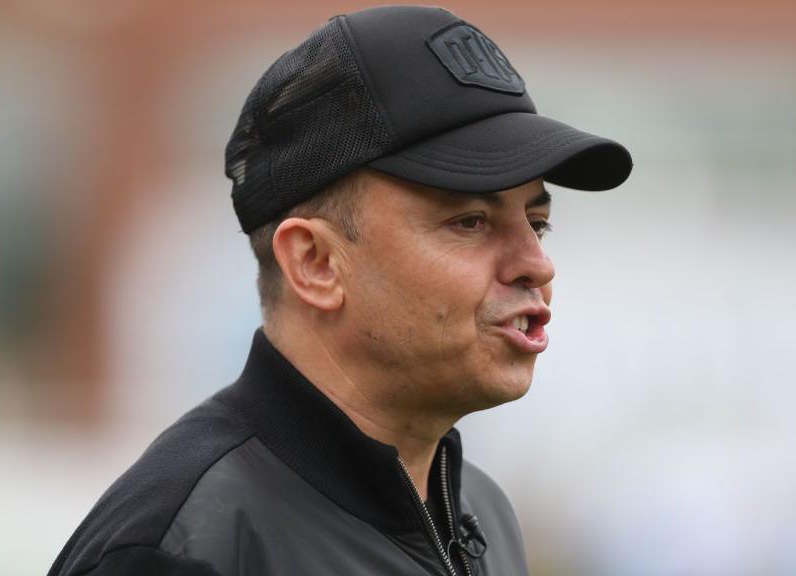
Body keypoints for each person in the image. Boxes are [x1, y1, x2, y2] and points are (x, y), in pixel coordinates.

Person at [48, 5, 631, 575]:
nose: (536, 263)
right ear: (316, 262)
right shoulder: (182, 547)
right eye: (470, 222)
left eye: (537, 221)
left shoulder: (483, 512)